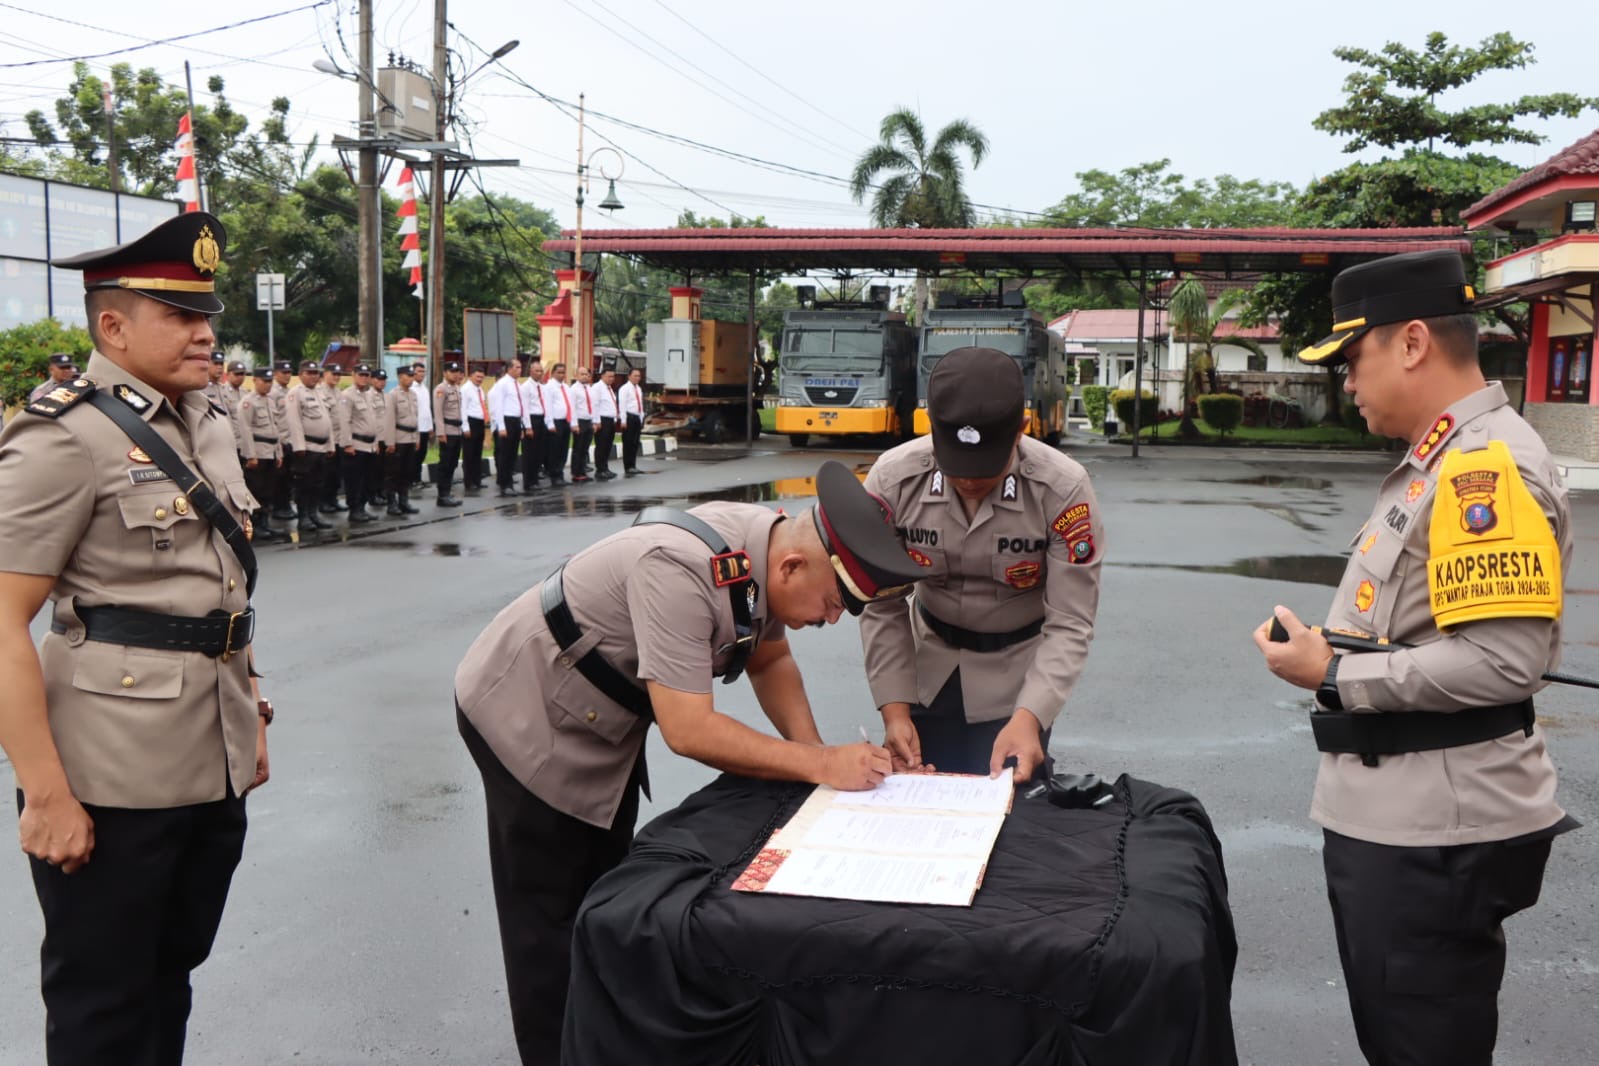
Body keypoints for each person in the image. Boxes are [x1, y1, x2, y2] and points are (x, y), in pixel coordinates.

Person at [454, 459, 924, 1066]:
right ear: (791, 567)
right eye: (836, 602)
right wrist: (821, 765)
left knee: (605, 902)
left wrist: (817, 759)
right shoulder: (679, 570)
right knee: (548, 926)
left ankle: (598, 1042)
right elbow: (689, 729)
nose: (832, 618)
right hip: (528, 712)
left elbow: (770, 660)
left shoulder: (765, 548)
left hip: (601, 715)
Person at [1251, 249, 1578, 1066]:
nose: (1346, 382)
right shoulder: (1442, 456)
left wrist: (1332, 674)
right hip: (1407, 814)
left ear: (1411, 342)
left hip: (1433, 829)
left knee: (1421, 1046)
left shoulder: (1480, 468)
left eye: (1352, 357)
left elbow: (1503, 663)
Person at [0, 210, 271, 1066]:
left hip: (213, 750)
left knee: (169, 974)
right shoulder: (63, 434)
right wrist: (45, 794)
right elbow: (3, 620)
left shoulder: (207, 420)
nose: (205, 333)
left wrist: (254, 709)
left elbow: (220, 591)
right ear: (112, 327)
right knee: (103, 997)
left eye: (207, 315)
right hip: (110, 770)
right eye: (180, 316)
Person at [859, 346, 1103, 781]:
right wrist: (894, 710)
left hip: (1016, 683)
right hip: (925, 672)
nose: (969, 480)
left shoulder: (1062, 489)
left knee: (1011, 810)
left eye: (985, 466)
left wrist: (1030, 718)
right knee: (916, 800)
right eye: (956, 465)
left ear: (1021, 430)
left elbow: (1070, 622)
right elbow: (882, 602)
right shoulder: (894, 480)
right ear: (931, 428)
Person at [284, 360, 334, 532]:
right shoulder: (296, 393)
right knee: (304, 484)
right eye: (309, 373)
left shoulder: (320, 393)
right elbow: (294, 420)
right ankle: (303, 517)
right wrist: (299, 446)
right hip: (306, 447)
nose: (313, 376)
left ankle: (314, 514)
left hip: (321, 447)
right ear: (300, 375)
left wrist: (330, 444)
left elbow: (327, 421)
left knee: (318, 484)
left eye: (316, 373)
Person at [236, 366, 285, 541]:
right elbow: (245, 430)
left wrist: (279, 453)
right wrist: (251, 455)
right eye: (265, 381)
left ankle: (265, 523)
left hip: (270, 452)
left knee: (268, 490)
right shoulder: (248, 402)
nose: (268, 384)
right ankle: (254, 525)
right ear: (255, 380)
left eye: (270, 381)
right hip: (258, 452)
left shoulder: (270, 401)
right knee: (256, 490)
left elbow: (275, 428)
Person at [338, 365, 382, 523]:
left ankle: (362, 507)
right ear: (353, 375)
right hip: (356, 444)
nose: (364, 378)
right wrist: (347, 444)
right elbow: (344, 421)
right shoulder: (347, 395)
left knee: (367, 479)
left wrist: (376, 442)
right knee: (354, 480)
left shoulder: (368, 395)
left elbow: (373, 421)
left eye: (366, 375)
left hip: (369, 445)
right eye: (361, 374)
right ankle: (354, 509)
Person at [384, 364, 422, 515]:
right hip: (399, 438)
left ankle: (404, 501)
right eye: (409, 376)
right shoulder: (393, 395)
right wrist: (390, 442)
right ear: (400, 377)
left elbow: (416, 418)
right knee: (394, 473)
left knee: (407, 472)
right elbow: (389, 420)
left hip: (411, 438)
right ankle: (392, 503)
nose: (411, 379)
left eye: (413, 376)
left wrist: (417, 437)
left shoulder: (413, 395)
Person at [488, 358, 526, 498]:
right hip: (506, 421)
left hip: (516, 421)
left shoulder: (517, 384)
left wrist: (521, 425)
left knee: (512, 455)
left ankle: (510, 483)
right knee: (505, 455)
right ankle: (505, 485)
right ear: (509, 369)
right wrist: (501, 426)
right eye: (517, 367)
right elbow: (498, 406)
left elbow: (519, 406)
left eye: (520, 367)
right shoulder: (502, 384)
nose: (520, 370)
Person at [432, 361, 465, 507]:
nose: (455, 374)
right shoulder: (441, 389)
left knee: (452, 463)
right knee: (445, 463)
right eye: (452, 372)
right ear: (445, 373)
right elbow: (438, 412)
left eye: (457, 371)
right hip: (447, 431)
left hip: (457, 431)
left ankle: (447, 492)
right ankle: (442, 495)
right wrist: (441, 433)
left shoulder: (457, 388)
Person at [267, 359, 295, 520]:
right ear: (276, 374)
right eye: (284, 372)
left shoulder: (289, 392)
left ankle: (286, 505)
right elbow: (273, 419)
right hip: (280, 441)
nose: (287, 375)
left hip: (290, 441)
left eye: (289, 372)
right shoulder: (272, 392)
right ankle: (278, 507)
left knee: (288, 477)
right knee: (279, 478)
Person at [317, 363, 347, 513]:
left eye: (338, 374)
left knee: (336, 473)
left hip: (339, 439)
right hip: (327, 441)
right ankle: (323, 502)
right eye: (333, 374)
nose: (336, 377)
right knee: (326, 474)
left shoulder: (339, 393)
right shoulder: (319, 392)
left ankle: (333, 499)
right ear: (325, 374)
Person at [541, 361, 573, 486]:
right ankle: (554, 476)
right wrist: (550, 424)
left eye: (563, 372)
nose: (561, 375)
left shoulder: (566, 387)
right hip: (555, 422)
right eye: (559, 372)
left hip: (565, 421)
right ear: (553, 373)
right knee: (555, 450)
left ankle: (560, 474)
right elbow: (547, 406)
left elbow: (570, 405)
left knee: (563, 450)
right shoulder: (549, 387)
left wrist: (572, 422)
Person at [520, 361, 549, 493]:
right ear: (530, 371)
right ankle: (529, 482)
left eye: (541, 371)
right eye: (536, 371)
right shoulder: (526, 387)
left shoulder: (542, 387)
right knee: (530, 453)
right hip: (531, 420)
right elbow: (525, 408)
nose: (539, 373)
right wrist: (528, 427)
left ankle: (535, 480)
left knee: (539, 452)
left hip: (541, 419)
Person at [461, 367, 489, 493]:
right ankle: (469, 482)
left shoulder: (480, 389)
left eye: (482, 377)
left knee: (477, 453)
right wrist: (465, 427)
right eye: (477, 377)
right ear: (471, 376)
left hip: (479, 423)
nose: (479, 379)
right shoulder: (465, 389)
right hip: (470, 423)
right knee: (469, 454)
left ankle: (477, 480)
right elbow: (463, 409)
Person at [368, 368, 391, 507]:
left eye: (383, 379)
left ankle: (382, 492)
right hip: (375, 439)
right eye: (378, 379)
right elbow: (370, 420)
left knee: (384, 468)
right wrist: (374, 441)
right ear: (372, 380)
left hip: (386, 438)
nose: (382, 382)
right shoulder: (368, 396)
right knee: (374, 469)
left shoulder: (387, 396)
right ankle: (373, 495)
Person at [568, 364, 595, 483]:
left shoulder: (589, 388)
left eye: (586, 374)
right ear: (576, 375)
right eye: (582, 374)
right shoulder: (574, 389)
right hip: (579, 421)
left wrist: (594, 421)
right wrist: (574, 424)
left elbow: (592, 405)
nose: (584, 376)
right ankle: (576, 473)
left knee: (585, 448)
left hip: (588, 421)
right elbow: (572, 408)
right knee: (578, 448)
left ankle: (582, 471)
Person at [591, 367, 619, 480]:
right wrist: (596, 421)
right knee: (601, 446)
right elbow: (595, 405)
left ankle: (605, 468)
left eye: (613, 376)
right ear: (602, 376)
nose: (611, 378)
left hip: (610, 420)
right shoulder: (597, 387)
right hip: (602, 420)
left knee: (607, 446)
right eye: (609, 376)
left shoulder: (609, 388)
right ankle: (600, 470)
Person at [618, 366, 646, 476]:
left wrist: (641, 417)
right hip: (629, 417)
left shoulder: (638, 388)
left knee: (635, 443)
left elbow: (640, 404)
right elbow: (622, 405)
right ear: (629, 376)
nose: (637, 378)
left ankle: (633, 465)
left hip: (637, 417)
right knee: (628, 443)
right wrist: (623, 420)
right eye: (635, 376)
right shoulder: (624, 389)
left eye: (639, 376)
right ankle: (628, 466)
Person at [411, 360, 432, 488]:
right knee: (414, 455)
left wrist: (430, 427)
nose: (422, 374)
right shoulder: (411, 389)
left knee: (422, 454)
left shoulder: (424, 388)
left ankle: (418, 479)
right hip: (416, 429)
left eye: (423, 371)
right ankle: (412, 480)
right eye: (419, 371)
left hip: (425, 427)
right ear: (413, 372)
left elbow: (427, 409)